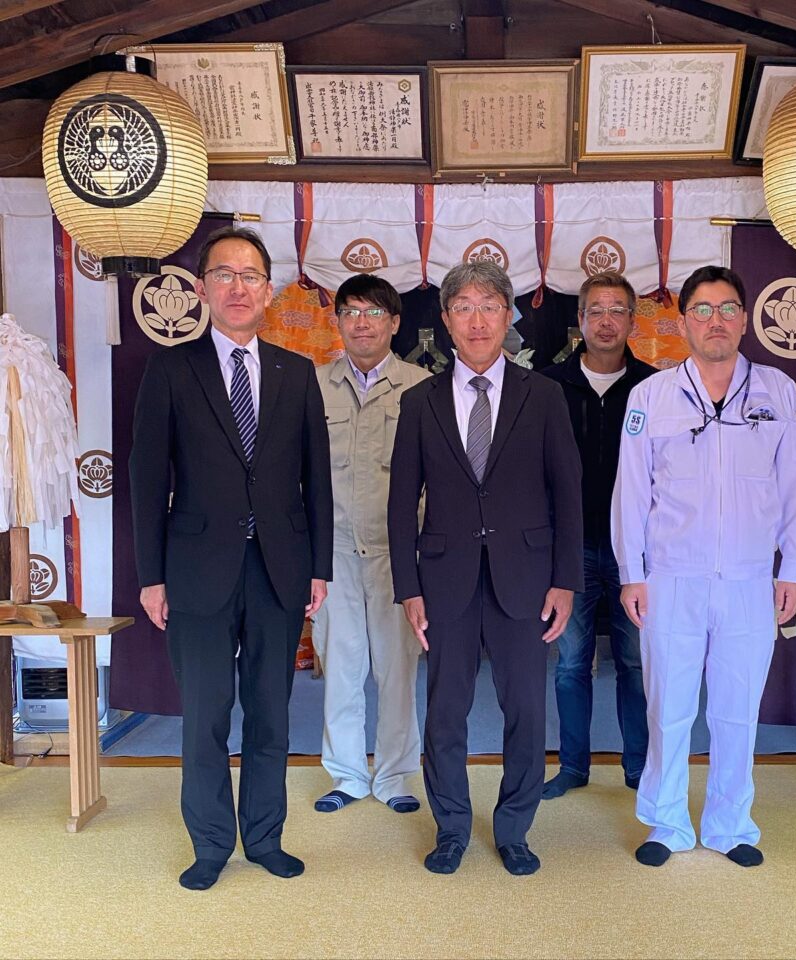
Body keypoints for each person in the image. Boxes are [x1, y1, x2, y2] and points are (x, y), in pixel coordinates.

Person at [129, 226, 333, 891]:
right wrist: (151, 576)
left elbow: (317, 479)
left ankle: (266, 838)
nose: (238, 287)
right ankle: (212, 844)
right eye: (225, 274)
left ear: (267, 290)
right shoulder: (170, 368)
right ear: (202, 288)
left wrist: (319, 566)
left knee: (272, 714)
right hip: (195, 573)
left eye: (250, 276)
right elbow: (144, 476)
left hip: (278, 570)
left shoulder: (295, 373)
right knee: (207, 718)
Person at [612, 264, 796, 869]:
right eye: (702, 310)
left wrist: (795, 566)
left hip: (751, 579)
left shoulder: (777, 391)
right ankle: (667, 822)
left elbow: (795, 488)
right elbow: (631, 493)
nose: (715, 321)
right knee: (668, 705)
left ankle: (731, 825)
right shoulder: (650, 397)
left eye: (727, 308)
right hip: (672, 577)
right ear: (683, 323)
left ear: (746, 319)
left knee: (736, 706)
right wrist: (632, 572)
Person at [388, 261, 583, 877]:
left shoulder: (544, 395)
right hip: (444, 580)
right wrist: (408, 588)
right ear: (445, 321)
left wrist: (565, 579)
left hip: (525, 578)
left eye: (489, 305)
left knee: (526, 708)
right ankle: (450, 828)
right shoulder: (418, 401)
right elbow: (400, 501)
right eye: (464, 306)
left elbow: (568, 491)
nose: (477, 318)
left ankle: (515, 829)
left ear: (508, 317)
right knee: (444, 710)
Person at [312, 274, 430, 816]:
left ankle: (395, 775)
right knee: (340, 666)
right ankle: (347, 775)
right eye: (352, 311)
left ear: (395, 323)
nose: (363, 322)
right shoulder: (311, 385)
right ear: (337, 321)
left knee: (397, 669)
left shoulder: (421, 387)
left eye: (375, 312)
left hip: (397, 556)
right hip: (332, 551)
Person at [540, 272, 655, 800]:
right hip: (571, 548)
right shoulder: (548, 386)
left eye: (618, 310)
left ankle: (638, 767)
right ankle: (572, 766)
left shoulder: (656, 388)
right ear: (580, 321)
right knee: (571, 662)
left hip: (638, 552)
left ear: (633, 319)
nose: (607, 320)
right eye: (596, 311)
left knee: (634, 662)